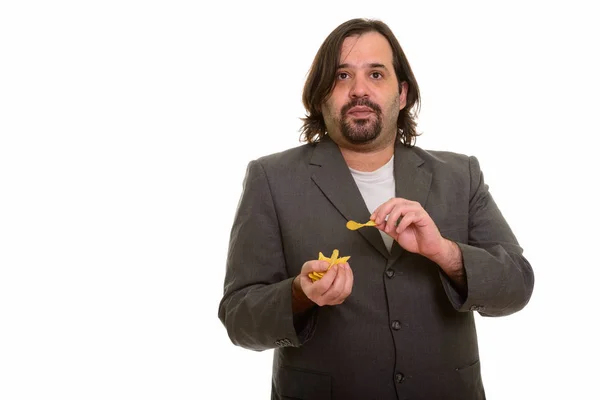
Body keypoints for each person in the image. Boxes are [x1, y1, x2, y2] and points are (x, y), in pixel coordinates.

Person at [218, 18, 534, 400]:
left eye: (376, 74)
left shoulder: (460, 175)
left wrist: (444, 253)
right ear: (321, 96)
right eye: (342, 76)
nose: (359, 90)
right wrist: (301, 293)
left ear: (401, 94)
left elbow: (517, 285)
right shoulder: (271, 178)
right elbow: (238, 318)